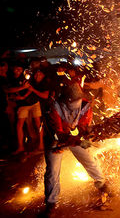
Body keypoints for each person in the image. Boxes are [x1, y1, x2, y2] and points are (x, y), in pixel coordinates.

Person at [43, 82, 109, 216]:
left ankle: (103, 186)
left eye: (79, 99)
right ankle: (51, 203)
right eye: (74, 100)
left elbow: (83, 126)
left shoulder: (85, 105)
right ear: (67, 100)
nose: (77, 103)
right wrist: (67, 142)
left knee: (90, 160)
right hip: (55, 139)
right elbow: (58, 132)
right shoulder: (55, 106)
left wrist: (83, 136)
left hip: (73, 137)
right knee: (52, 171)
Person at [13, 69, 49, 153]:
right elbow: (25, 88)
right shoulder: (27, 79)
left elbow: (44, 95)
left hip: (34, 103)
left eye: (39, 74)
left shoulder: (44, 83)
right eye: (36, 74)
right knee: (20, 124)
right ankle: (21, 146)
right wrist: (21, 96)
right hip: (23, 105)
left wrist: (25, 95)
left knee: (38, 123)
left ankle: (41, 145)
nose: (37, 76)